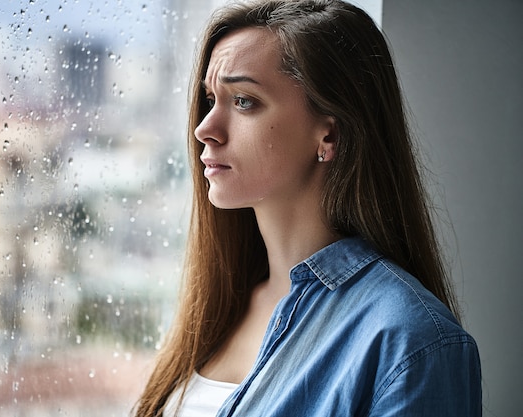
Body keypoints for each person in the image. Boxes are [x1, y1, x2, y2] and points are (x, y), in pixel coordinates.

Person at [135, 0, 482, 415]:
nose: (205, 128)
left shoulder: (412, 341)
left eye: (244, 100)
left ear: (329, 134)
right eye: (211, 98)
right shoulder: (219, 301)